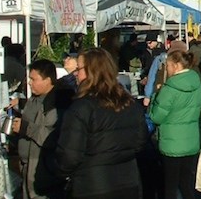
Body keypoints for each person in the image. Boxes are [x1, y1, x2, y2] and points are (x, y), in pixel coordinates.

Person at [55, 48, 148, 199]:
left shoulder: (81, 108)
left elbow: (68, 156)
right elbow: (140, 142)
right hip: (128, 182)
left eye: (79, 69)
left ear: (92, 71)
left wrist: (61, 172)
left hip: (92, 185)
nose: (76, 74)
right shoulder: (130, 103)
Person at [149, 48, 201, 199]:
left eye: (167, 65)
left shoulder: (169, 88)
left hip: (171, 143)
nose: (166, 69)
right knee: (187, 185)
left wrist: (155, 96)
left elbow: (156, 117)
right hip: (191, 140)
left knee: (170, 187)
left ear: (176, 65)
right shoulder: (197, 84)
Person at [13, 59, 70, 198]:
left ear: (48, 80)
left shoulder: (57, 104)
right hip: (28, 170)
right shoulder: (34, 99)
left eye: (34, 79)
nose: (29, 82)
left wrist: (26, 128)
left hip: (44, 174)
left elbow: (51, 137)